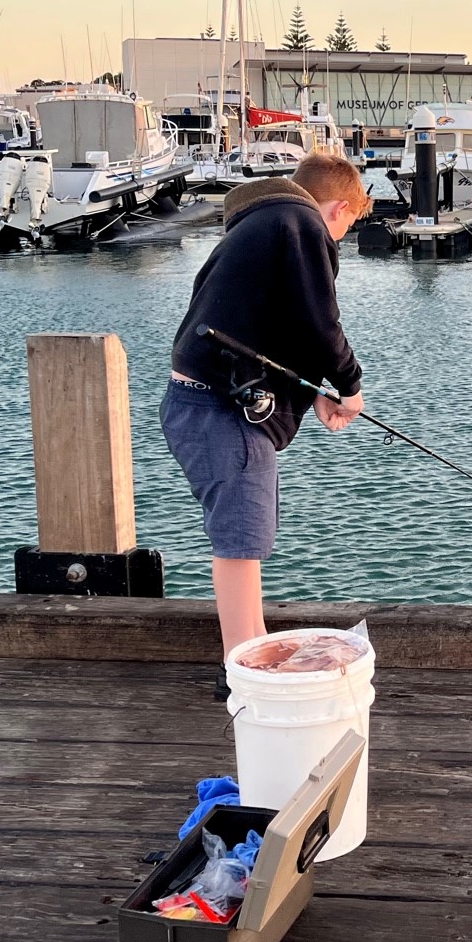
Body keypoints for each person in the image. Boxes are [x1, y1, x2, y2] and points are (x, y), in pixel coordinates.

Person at [163, 151, 373, 656]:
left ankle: (251, 646)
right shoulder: (300, 224)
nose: (338, 242)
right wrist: (349, 387)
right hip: (219, 409)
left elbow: (274, 323)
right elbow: (319, 320)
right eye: (347, 227)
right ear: (341, 209)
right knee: (240, 540)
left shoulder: (261, 225)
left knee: (246, 534)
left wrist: (315, 391)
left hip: (202, 403)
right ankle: (243, 666)